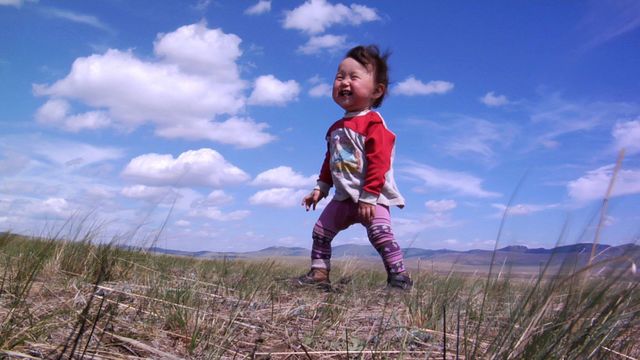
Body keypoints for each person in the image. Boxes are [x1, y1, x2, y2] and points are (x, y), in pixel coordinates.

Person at [298, 45, 412, 290]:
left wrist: (369, 197)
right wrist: (321, 188)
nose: (344, 82)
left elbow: (379, 161)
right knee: (321, 231)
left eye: (353, 77)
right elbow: (331, 161)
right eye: (339, 77)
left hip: (372, 197)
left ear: (377, 90)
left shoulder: (373, 123)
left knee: (380, 235)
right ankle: (319, 274)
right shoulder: (335, 128)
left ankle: (399, 277)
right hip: (343, 197)